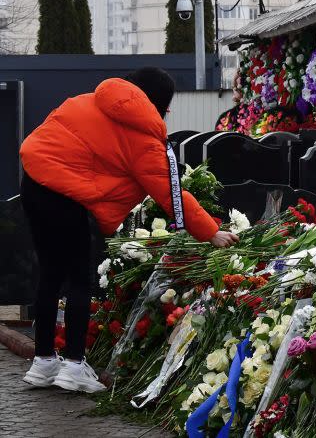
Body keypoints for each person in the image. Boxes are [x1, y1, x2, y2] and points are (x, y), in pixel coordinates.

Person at [18, 67, 239, 393]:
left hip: (33, 182)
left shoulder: (86, 101)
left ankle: (43, 362)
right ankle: (74, 366)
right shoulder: (143, 135)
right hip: (67, 197)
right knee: (80, 279)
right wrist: (210, 231)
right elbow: (170, 191)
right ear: (160, 103)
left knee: (50, 275)